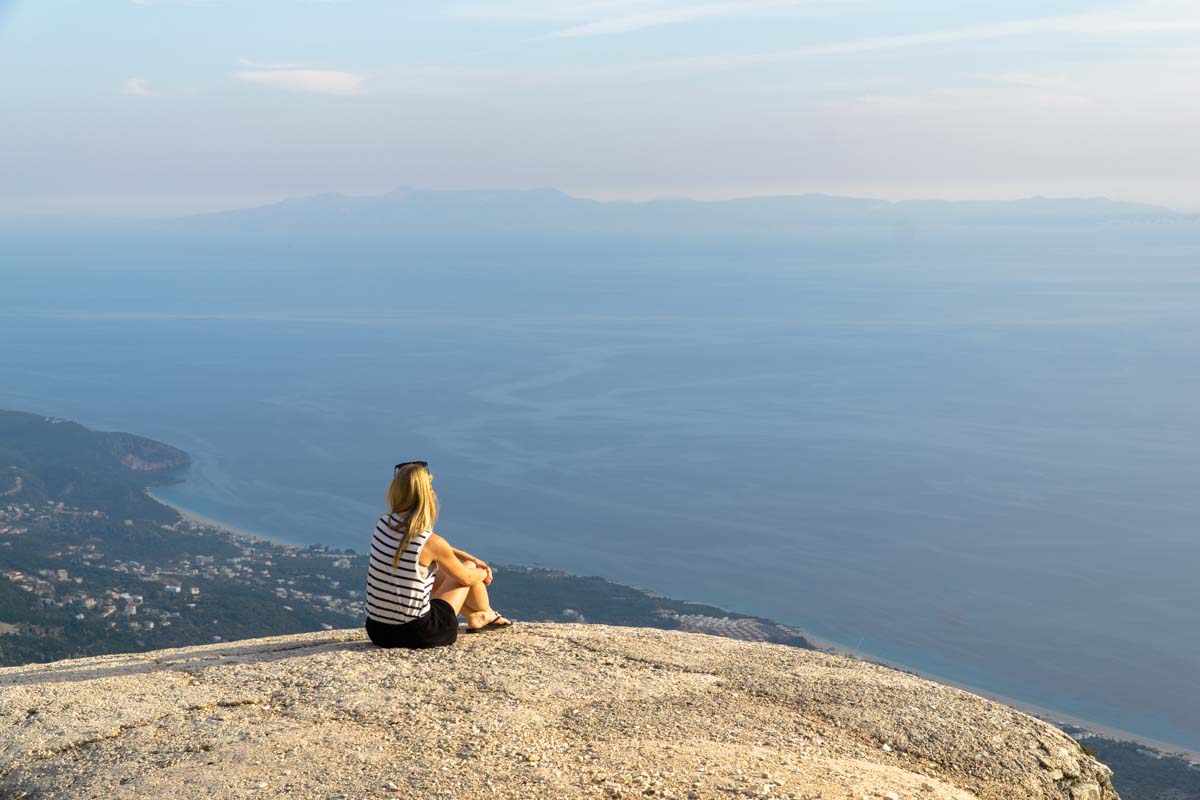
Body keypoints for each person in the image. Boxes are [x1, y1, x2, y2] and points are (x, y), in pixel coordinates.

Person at [364, 461, 512, 649]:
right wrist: (483, 571)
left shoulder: (383, 524)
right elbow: (466, 578)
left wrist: (465, 554)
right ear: (427, 495)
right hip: (420, 633)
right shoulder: (430, 543)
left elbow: (434, 549)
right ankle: (484, 613)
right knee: (468, 568)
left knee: (437, 571)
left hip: (378, 631)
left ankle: (477, 615)